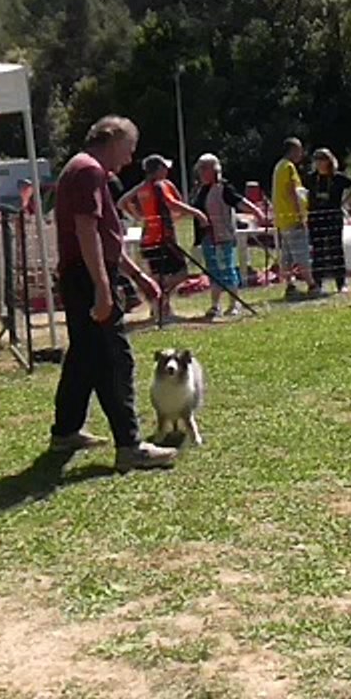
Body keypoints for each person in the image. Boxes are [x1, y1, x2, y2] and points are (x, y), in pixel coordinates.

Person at [49, 115, 178, 471]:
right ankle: (130, 445)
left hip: (83, 276)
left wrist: (136, 275)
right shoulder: (88, 171)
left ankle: (65, 431)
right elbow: (86, 231)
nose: (129, 159)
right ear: (112, 139)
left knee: (84, 358)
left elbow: (105, 238)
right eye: (128, 149)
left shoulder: (81, 168)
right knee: (115, 359)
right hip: (88, 277)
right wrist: (104, 289)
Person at [119, 154, 207, 318]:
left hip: (148, 239)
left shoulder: (142, 187)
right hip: (163, 238)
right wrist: (197, 213)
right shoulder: (160, 185)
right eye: (164, 167)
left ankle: (160, 307)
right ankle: (160, 293)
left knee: (160, 272)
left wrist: (139, 216)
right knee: (181, 273)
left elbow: (122, 202)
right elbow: (171, 203)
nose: (167, 170)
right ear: (157, 170)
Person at [191, 153, 264, 318]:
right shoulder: (201, 189)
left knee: (227, 270)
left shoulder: (224, 188)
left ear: (214, 169)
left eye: (204, 168)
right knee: (213, 271)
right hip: (207, 238)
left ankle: (234, 303)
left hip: (223, 237)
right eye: (200, 168)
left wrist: (257, 212)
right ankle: (215, 305)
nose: (201, 172)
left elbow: (239, 202)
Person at [306, 148, 351, 294]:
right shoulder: (311, 178)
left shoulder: (338, 178)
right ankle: (318, 283)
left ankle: (341, 282)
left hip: (333, 217)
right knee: (318, 250)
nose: (319, 163)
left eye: (322, 159)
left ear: (329, 161)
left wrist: (345, 203)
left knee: (335, 249)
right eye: (316, 159)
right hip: (315, 218)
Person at [272, 137, 321, 299]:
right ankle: (312, 285)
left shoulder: (278, 167)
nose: (301, 154)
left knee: (286, 255)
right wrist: (300, 214)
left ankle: (290, 285)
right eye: (299, 150)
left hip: (282, 218)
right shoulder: (289, 167)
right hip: (292, 218)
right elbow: (292, 191)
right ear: (293, 150)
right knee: (301, 253)